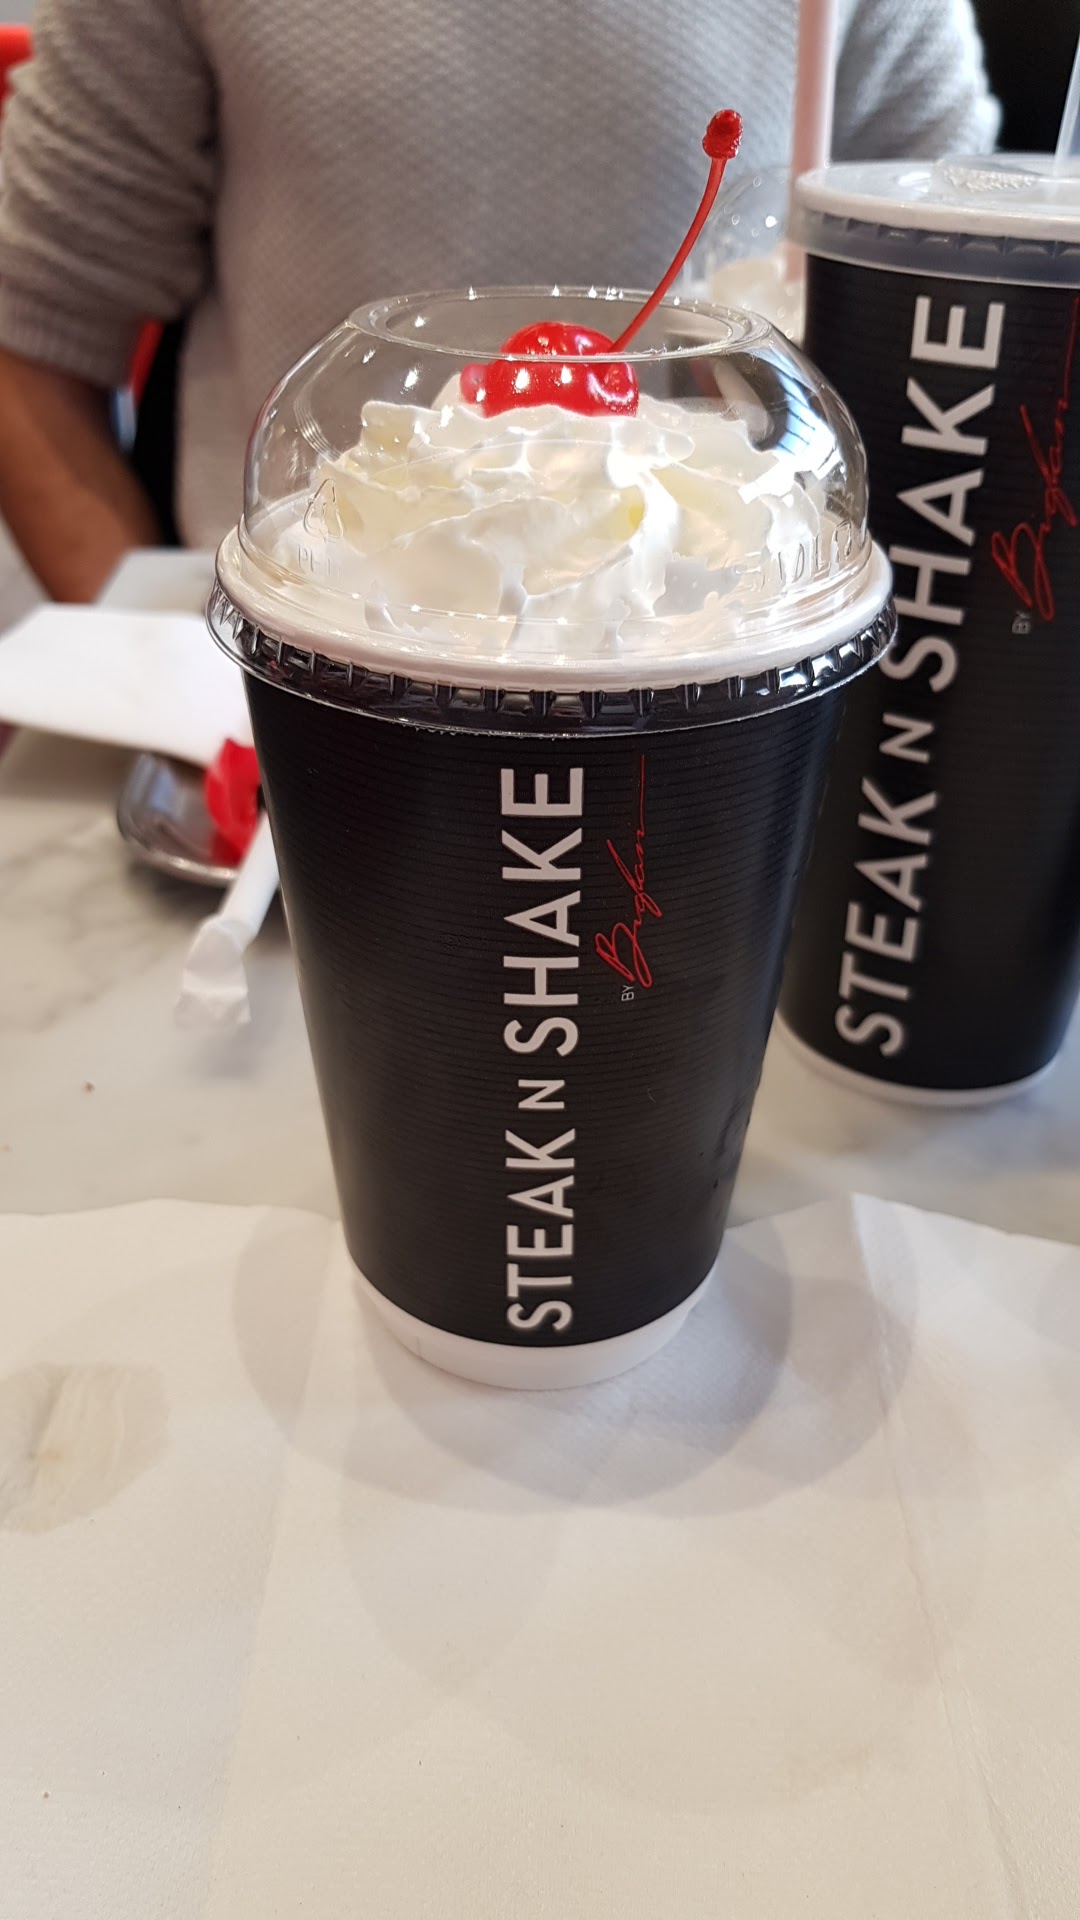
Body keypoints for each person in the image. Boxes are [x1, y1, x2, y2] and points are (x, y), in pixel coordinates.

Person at [0, 0, 998, 603]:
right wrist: (173, 684)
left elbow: (968, 328)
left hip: (736, 661)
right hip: (305, 656)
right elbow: (29, 328)